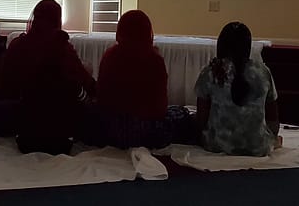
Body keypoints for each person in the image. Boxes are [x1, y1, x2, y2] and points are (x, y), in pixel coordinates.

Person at [0, 0, 96, 155]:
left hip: (25, 136)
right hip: (60, 140)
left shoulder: (18, 44)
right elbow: (84, 80)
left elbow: (6, 83)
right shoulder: (62, 47)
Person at [94, 10, 191, 149]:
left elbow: (101, 99)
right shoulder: (154, 59)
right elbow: (160, 108)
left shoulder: (109, 56)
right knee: (182, 114)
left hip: (111, 131)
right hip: (146, 133)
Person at [195, 21, 280, 156]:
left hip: (216, 144)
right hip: (258, 146)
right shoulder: (263, 72)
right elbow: (273, 117)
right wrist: (272, 138)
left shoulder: (211, 72)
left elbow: (201, 119)